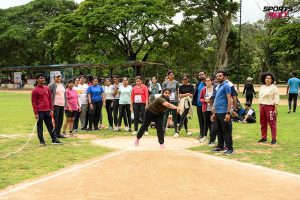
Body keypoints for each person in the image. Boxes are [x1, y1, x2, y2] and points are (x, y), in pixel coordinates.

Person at [31, 73, 62, 145]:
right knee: (40, 126)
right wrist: (36, 113)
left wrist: (51, 109)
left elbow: (50, 99)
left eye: (43, 78)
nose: (42, 79)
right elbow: (34, 103)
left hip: (47, 110)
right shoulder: (35, 90)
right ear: (37, 80)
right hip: (40, 111)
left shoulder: (47, 88)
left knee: (50, 125)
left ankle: (54, 139)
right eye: (41, 78)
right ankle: (42, 141)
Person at [211, 70, 234, 155]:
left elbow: (229, 99)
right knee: (219, 130)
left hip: (224, 111)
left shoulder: (226, 86)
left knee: (226, 130)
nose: (218, 77)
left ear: (224, 77)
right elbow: (217, 99)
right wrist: (214, 112)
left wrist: (228, 113)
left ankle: (230, 149)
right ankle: (220, 146)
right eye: (217, 76)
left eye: (220, 76)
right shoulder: (219, 86)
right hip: (218, 112)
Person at [258, 72, 279, 145]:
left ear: (272, 80)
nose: (267, 79)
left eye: (269, 78)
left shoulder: (274, 87)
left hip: (270, 106)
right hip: (262, 106)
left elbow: (276, 99)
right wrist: (259, 106)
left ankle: (274, 139)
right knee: (263, 123)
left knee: (272, 123)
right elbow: (260, 98)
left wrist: (275, 109)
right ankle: (264, 138)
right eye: (266, 78)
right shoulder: (262, 87)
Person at [49, 72, 67, 138]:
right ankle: (55, 133)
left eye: (60, 77)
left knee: (61, 119)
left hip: (62, 104)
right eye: (57, 77)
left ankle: (58, 132)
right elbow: (49, 95)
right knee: (56, 119)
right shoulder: (52, 85)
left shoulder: (63, 85)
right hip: (55, 104)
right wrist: (50, 106)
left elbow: (65, 95)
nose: (59, 78)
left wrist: (66, 103)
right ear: (54, 78)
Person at [162, 70, 179, 135]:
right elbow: (163, 92)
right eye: (170, 75)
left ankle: (176, 130)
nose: (171, 76)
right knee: (165, 115)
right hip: (167, 101)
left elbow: (177, 92)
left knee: (174, 115)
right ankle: (163, 130)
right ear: (168, 76)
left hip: (174, 101)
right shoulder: (165, 83)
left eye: (172, 75)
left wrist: (178, 101)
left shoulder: (176, 82)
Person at [192, 71, 206, 140]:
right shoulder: (198, 83)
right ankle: (201, 134)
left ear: (205, 75)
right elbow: (196, 93)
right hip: (198, 104)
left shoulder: (207, 83)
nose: (201, 76)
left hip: (205, 105)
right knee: (200, 120)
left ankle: (206, 134)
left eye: (202, 74)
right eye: (199, 75)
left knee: (206, 120)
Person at [200, 76, 214, 143]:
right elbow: (201, 99)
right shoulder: (203, 89)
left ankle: (213, 137)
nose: (207, 82)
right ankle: (205, 136)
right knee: (206, 122)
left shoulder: (215, 89)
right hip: (205, 109)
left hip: (213, 109)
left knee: (213, 123)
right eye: (206, 81)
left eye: (209, 80)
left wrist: (212, 101)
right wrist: (205, 101)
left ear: (211, 81)